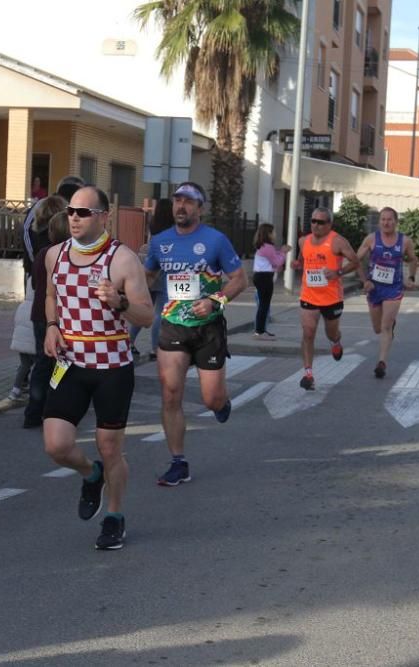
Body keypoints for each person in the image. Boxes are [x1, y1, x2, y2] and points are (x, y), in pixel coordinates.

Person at [42, 186, 153, 550]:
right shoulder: (54, 255)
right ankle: (91, 475)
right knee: (56, 445)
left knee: (109, 446)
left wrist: (119, 302)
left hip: (111, 365)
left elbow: (147, 316)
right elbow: (51, 296)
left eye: (83, 212)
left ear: (103, 216)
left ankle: (114, 517)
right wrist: (52, 326)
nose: (74, 217)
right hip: (70, 363)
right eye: (71, 211)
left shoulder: (122, 260)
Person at [144, 182, 247, 486]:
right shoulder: (160, 242)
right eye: (177, 200)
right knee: (170, 393)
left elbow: (239, 279)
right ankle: (179, 462)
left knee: (211, 398)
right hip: (173, 325)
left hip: (208, 327)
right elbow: (148, 275)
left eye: (189, 202)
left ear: (199, 208)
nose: (181, 206)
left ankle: (221, 403)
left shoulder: (215, 240)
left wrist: (216, 300)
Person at [296, 206, 359, 390]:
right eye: (313, 221)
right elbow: (302, 258)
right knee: (308, 333)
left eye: (321, 222)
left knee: (331, 332)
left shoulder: (338, 242)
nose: (316, 225)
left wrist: (337, 272)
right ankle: (308, 374)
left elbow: (355, 261)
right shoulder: (303, 241)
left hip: (332, 298)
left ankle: (336, 341)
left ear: (329, 224)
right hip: (309, 295)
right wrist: (297, 263)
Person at [22, 196, 70, 428]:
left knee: (42, 362)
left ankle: (33, 410)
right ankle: (53, 409)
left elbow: (34, 284)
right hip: (60, 317)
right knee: (60, 363)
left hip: (39, 314)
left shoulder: (42, 254)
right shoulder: (69, 257)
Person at [355, 207, 417, 378]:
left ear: (396, 222)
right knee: (377, 328)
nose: (386, 222)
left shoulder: (405, 241)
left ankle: (381, 362)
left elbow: (413, 259)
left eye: (390, 219)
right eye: (383, 219)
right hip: (374, 288)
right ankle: (388, 329)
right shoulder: (371, 239)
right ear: (379, 222)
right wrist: (364, 281)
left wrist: (411, 277)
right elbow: (356, 259)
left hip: (393, 288)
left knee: (385, 326)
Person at [129, 198, 173, 358]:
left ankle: (129, 342)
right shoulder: (173, 230)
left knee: (144, 309)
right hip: (164, 273)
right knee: (159, 313)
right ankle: (156, 348)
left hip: (148, 271)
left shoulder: (153, 226)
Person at [22, 175, 83, 275]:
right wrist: (34, 262)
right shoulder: (43, 205)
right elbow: (27, 232)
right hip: (38, 267)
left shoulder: (75, 209)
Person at [250, 223, 289, 339]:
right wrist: (283, 252)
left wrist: (280, 256)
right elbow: (276, 261)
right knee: (264, 305)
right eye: (274, 232)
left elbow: (273, 261)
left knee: (264, 304)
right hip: (264, 277)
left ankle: (261, 330)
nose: (275, 234)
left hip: (262, 276)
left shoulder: (263, 246)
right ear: (268, 234)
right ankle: (259, 331)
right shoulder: (267, 247)